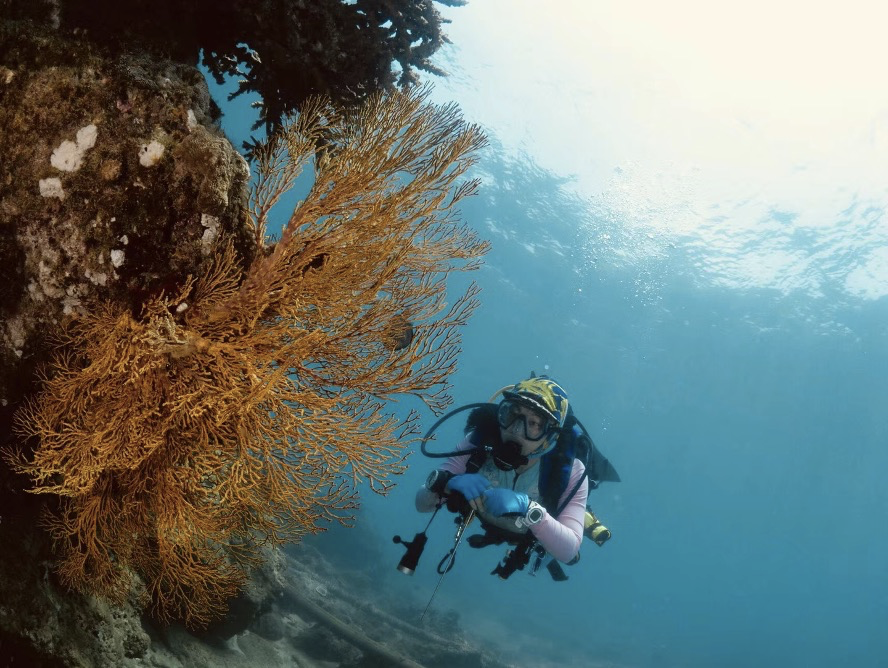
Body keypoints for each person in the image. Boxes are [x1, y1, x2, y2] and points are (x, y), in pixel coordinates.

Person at [415, 376, 588, 567]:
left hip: (527, 536)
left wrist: (529, 509)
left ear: (550, 436)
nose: (516, 430)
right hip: (482, 518)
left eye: (534, 424)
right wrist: (446, 482)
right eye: (512, 414)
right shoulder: (479, 442)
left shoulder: (571, 471)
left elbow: (569, 551)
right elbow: (421, 504)